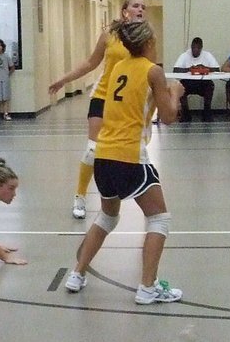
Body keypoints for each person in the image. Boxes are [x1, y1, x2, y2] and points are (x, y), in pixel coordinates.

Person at [64, 20, 184, 305]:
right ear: (148, 44)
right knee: (159, 219)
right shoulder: (152, 71)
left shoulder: (118, 68)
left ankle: (77, 274)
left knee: (107, 216)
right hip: (129, 156)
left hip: (103, 155)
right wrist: (174, 94)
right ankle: (147, 288)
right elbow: (168, 117)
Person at [48, 0, 148, 220]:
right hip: (103, 96)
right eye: (135, 5)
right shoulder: (109, 36)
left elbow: (149, 70)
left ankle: (132, 195)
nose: (140, 9)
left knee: (129, 150)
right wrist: (64, 80)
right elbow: (90, 63)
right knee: (93, 150)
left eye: (144, 7)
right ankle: (80, 197)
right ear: (125, 11)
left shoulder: (146, 41)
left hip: (126, 103)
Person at [172, 36, 219, 122]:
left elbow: (217, 69)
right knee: (180, 85)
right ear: (191, 47)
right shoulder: (185, 55)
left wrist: (205, 68)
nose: (195, 50)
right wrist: (189, 69)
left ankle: (206, 112)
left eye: (198, 48)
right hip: (188, 83)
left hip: (203, 83)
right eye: (194, 47)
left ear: (201, 48)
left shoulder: (207, 55)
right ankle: (185, 113)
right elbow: (175, 70)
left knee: (210, 85)